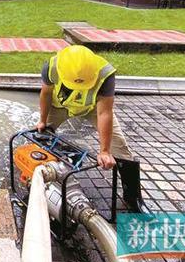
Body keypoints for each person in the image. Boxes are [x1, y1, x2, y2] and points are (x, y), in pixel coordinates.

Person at [37, 44, 146, 213]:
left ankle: (133, 198)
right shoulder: (52, 67)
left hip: (93, 108)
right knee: (42, 136)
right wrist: (42, 121)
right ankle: (43, 181)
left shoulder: (104, 73)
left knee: (120, 147)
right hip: (60, 107)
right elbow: (45, 94)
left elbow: (104, 113)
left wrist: (104, 150)